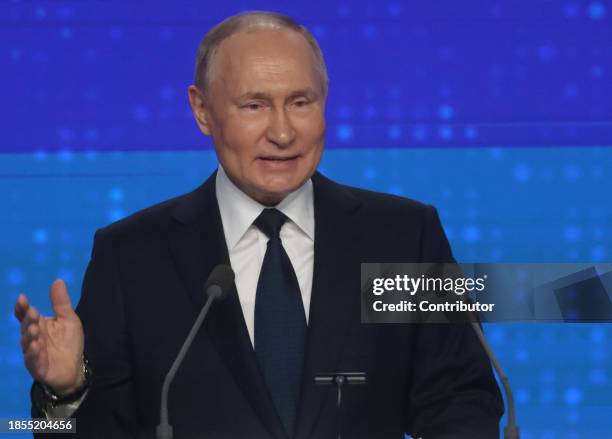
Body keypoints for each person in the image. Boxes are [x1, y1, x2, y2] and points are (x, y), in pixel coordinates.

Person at [15, 11, 503, 439]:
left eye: (300, 102)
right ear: (202, 111)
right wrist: (66, 392)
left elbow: (462, 400)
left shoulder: (403, 238)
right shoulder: (131, 257)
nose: (283, 131)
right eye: (254, 105)